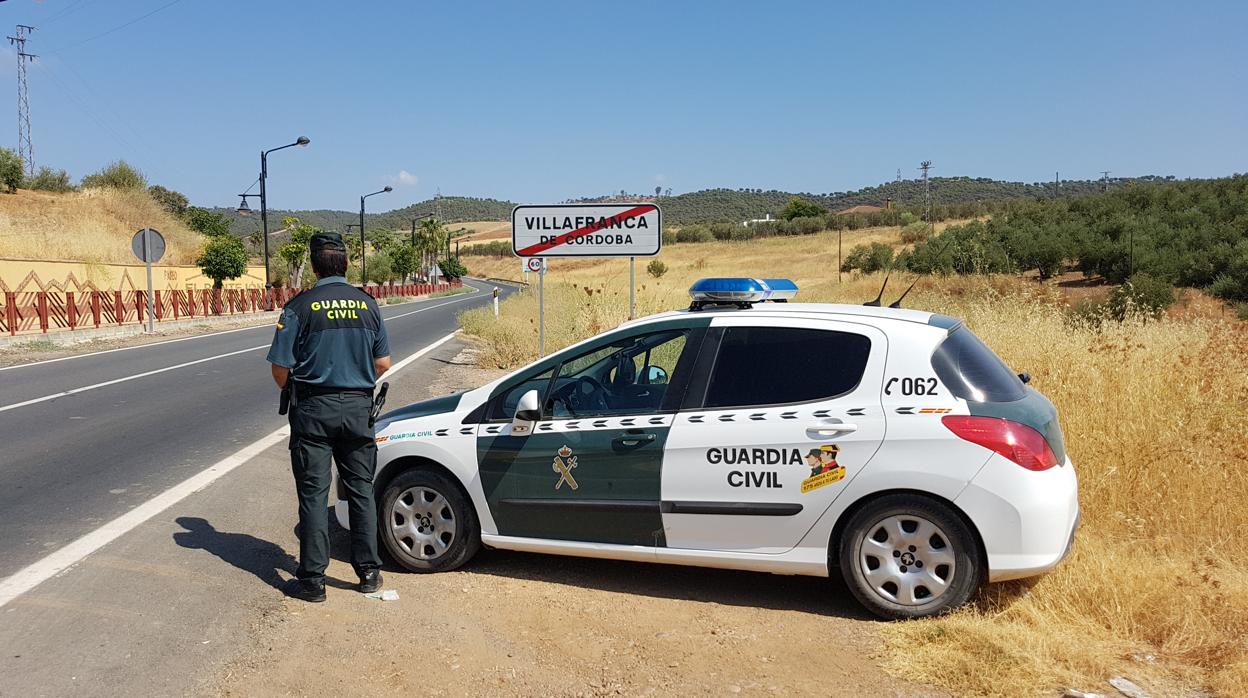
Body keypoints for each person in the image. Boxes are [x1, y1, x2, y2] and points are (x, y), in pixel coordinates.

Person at [266, 231, 391, 603]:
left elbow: (279, 371)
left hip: (313, 413)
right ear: (346, 263)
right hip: (357, 410)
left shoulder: (300, 306)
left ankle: (313, 582)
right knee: (361, 492)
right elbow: (383, 362)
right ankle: (369, 574)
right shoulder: (368, 305)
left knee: (314, 495)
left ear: (315, 265)